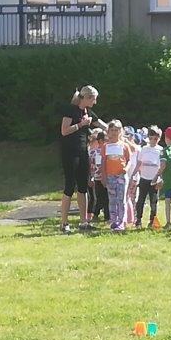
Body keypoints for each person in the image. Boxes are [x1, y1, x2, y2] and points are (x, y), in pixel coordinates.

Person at [59, 85, 107, 233]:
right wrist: (81, 124)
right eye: (94, 99)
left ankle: (84, 222)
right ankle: (64, 223)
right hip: (70, 153)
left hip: (83, 152)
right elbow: (64, 131)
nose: (95, 102)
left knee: (83, 187)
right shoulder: (71, 110)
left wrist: (117, 131)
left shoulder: (88, 112)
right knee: (69, 186)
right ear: (86, 98)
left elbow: (102, 124)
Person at [100, 120, 132, 232]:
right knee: (112, 199)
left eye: (116, 130)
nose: (114, 132)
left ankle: (121, 221)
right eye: (112, 130)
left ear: (120, 131)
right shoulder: (105, 146)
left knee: (121, 199)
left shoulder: (124, 145)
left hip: (121, 176)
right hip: (110, 176)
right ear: (108, 132)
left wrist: (126, 169)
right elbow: (103, 161)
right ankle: (113, 221)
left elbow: (129, 160)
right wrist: (103, 176)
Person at [133, 126, 163, 228]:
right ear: (148, 138)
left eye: (155, 139)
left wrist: (160, 178)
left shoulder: (160, 150)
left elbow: (162, 166)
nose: (153, 141)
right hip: (144, 178)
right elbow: (139, 163)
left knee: (153, 201)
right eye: (151, 138)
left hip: (154, 180)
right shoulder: (144, 149)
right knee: (140, 200)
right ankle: (138, 220)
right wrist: (134, 174)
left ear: (159, 139)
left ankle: (152, 220)